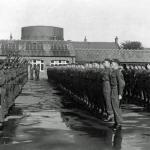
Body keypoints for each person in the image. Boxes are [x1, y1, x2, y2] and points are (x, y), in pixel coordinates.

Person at [110, 59, 125, 129]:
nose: (111, 65)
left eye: (112, 64)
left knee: (117, 107)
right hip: (113, 90)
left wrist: (120, 94)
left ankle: (119, 123)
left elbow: (121, 83)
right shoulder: (114, 71)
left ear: (116, 64)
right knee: (114, 106)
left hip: (116, 90)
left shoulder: (118, 72)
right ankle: (116, 122)